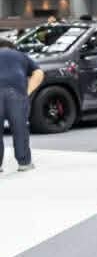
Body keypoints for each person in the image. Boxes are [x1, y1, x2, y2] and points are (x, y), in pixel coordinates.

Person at [0, 39, 44, 172]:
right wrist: (28, 91)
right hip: (16, 94)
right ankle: (24, 163)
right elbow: (39, 72)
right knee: (19, 128)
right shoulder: (20, 55)